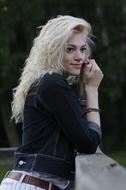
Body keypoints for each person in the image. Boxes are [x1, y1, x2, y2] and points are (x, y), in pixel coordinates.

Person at [0, 15, 103, 190]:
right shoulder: (52, 84)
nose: (79, 56)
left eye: (82, 49)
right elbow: (89, 142)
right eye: (70, 49)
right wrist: (92, 89)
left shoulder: (47, 83)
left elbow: (83, 131)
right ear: (53, 49)